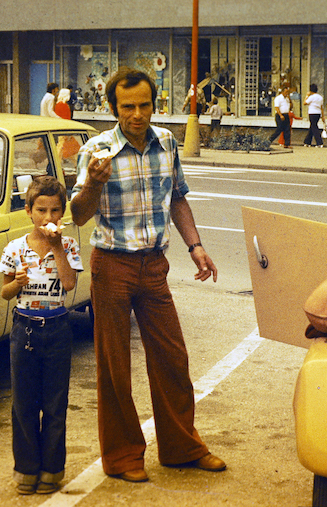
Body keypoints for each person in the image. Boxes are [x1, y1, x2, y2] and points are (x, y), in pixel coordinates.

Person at [70, 67, 225, 484]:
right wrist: (93, 185)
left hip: (154, 266)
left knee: (172, 357)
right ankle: (122, 456)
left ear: (154, 105)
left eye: (144, 105)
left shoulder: (167, 142)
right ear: (113, 108)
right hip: (112, 266)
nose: (137, 114)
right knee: (114, 365)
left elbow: (178, 199)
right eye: (128, 107)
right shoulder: (97, 150)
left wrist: (195, 246)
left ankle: (181, 447)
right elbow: (79, 215)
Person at [0, 176, 83, 496]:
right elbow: (5, 292)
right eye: (41, 210)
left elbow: (69, 284)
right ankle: (26, 469)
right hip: (25, 329)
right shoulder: (15, 248)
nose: (49, 217)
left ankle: (52, 470)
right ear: (28, 211)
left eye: (55, 211)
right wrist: (17, 282)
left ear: (63, 212)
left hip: (58, 327)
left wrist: (57, 245)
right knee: (23, 404)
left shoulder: (68, 245)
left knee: (55, 403)